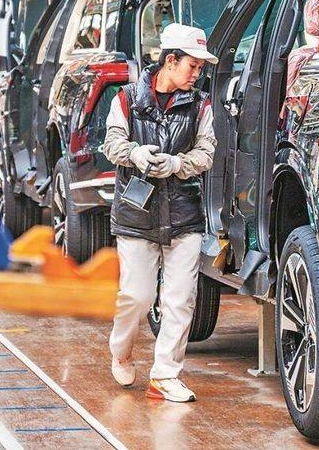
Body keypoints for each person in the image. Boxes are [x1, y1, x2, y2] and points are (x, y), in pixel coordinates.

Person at [101, 23, 217, 403]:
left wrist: (178, 164)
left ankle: (165, 375)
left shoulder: (200, 105)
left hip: (184, 214)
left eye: (200, 68)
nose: (197, 74)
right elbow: (112, 144)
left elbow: (206, 153)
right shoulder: (127, 99)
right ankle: (121, 351)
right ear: (170, 61)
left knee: (180, 300)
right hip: (137, 215)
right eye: (192, 66)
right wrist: (134, 154)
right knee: (136, 296)